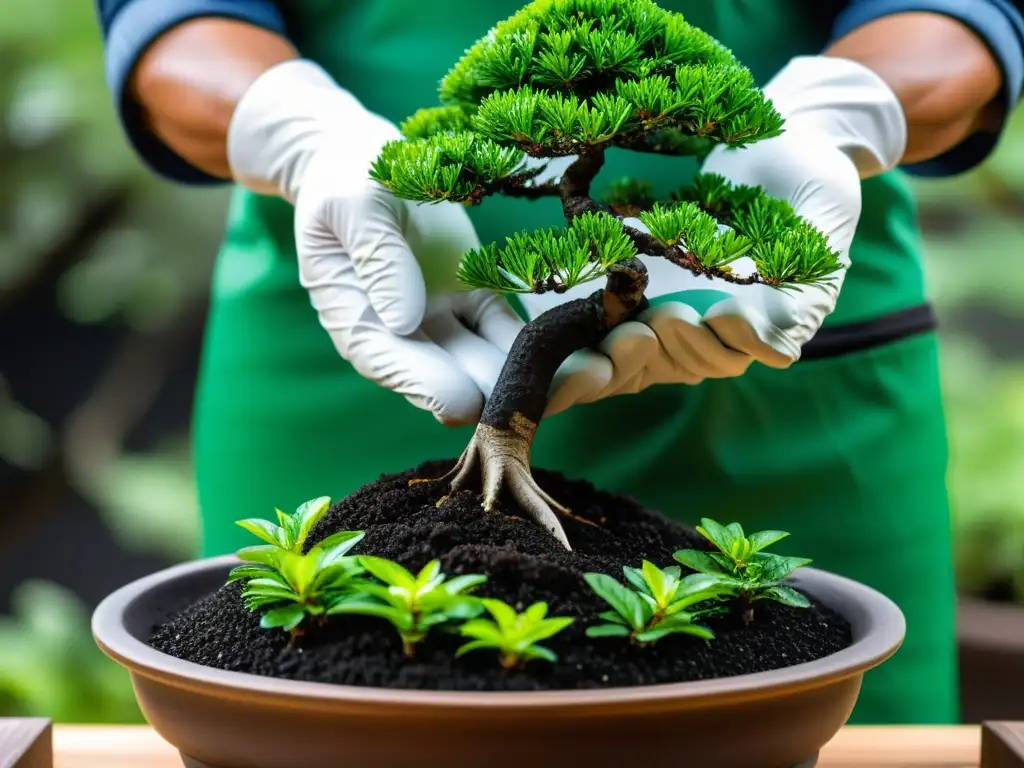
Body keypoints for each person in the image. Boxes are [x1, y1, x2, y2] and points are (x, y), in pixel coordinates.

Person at [94, 0, 1023, 724]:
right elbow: (171, 18)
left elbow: (964, 14)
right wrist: (300, 133)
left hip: (754, 307)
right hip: (364, 281)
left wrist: (837, 114)